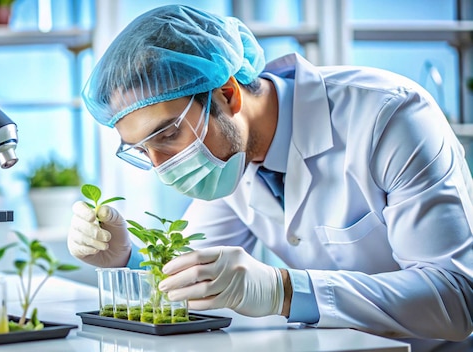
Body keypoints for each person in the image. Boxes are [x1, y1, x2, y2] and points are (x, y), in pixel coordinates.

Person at [67, 4, 473, 341]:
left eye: (168, 135)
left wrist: (285, 290)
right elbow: (196, 273)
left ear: (227, 94)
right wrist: (125, 255)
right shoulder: (229, 158)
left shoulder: (389, 117)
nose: (161, 164)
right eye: (143, 150)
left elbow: (457, 299)